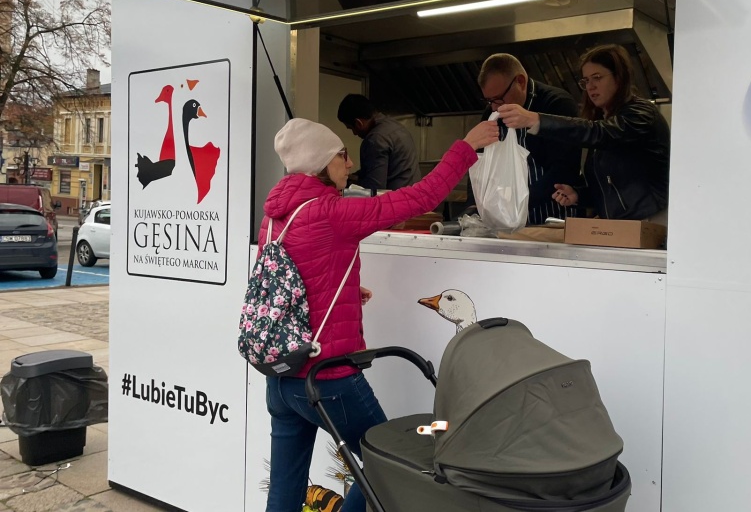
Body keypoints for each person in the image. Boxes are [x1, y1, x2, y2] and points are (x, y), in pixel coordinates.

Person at [261, 117, 499, 512]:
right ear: (321, 162)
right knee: (384, 463)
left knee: (284, 492)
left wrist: (344, 289)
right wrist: (465, 149)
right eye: (342, 156)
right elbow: (418, 199)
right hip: (329, 378)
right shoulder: (330, 211)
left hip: (282, 376)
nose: (350, 164)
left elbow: (283, 282)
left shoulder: (275, 215)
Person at [497, 44, 670, 221]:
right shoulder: (604, 121)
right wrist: (579, 196)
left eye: (597, 77)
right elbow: (613, 189)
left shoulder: (641, 114)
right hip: (622, 225)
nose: (590, 86)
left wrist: (536, 120)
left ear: (619, 77)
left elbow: (599, 133)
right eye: (586, 80)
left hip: (651, 222)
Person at [477, 53, 582, 224]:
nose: (495, 106)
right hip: (506, 218)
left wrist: (519, 204)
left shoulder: (557, 104)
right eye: (489, 100)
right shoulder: (492, 114)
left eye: (498, 98)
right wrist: (476, 206)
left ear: (520, 81)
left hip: (553, 217)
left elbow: (565, 168)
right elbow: (480, 163)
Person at [337, 94, 422, 191]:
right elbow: (381, 169)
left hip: (397, 202)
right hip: (414, 198)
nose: (354, 133)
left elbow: (374, 188)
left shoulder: (375, 139)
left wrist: (345, 188)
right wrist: (353, 176)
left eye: (352, 128)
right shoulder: (396, 126)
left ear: (358, 123)